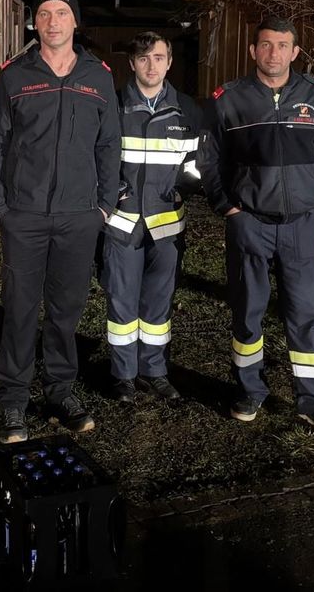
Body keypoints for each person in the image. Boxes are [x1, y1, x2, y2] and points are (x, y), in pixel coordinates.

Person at [0, 0, 120, 443]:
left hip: (79, 217)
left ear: (75, 21)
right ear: (34, 23)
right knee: (20, 309)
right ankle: (14, 401)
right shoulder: (15, 75)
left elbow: (108, 144)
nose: (53, 21)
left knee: (65, 311)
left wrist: (103, 206)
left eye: (61, 12)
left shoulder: (98, 76)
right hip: (24, 214)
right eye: (45, 14)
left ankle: (60, 391)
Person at [198, 17, 314, 438]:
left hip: (301, 225)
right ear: (253, 51)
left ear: (295, 52)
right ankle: (250, 391)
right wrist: (229, 209)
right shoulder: (229, 99)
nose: (274, 53)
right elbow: (208, 162)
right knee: (248, 311)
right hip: (250, 224)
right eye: (266, 45)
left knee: (306, 313)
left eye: (283, 45)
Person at [101, 32, 203, 404]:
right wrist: (114, 193)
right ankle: (123, 375)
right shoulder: (111, 107)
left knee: (158, 305)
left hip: (166, 225)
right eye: (143, 59)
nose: (151, 66)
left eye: (158, 58)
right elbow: (98, 158)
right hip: (123, 223)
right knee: (122, 303)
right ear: (131, 64)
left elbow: (198, 164)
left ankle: (155, 371)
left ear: (170, 62)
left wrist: (181, 189)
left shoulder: (188, 110)